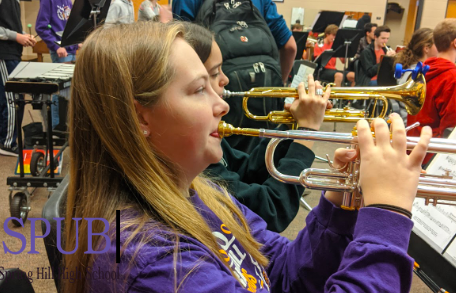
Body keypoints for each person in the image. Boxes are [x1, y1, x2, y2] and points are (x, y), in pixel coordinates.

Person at [64, 21, 432, 293]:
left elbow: (284, 272)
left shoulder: (200, 193)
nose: (222, 104)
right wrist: (386, 219)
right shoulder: (151, 259)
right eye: (198, 90)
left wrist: (340, 205)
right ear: (140, 116)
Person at [183, 22, 324, 232]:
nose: (226, 79)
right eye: (214, 73)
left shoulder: (204, 137)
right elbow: (270, 212)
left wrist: (290, 123)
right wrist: (307, 133)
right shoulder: (193, 156)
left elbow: (248, 170)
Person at [172, 0, 297, 85]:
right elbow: (290, 47)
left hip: (214, 98)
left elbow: (181, 50)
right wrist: (277, 85)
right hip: (262, 96)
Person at [0, 0, 36, 156]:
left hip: (12, 52)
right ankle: (7, 144)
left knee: (7, 98)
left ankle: (3, 141)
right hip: (1, 53)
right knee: (13, 98)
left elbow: (9, 25)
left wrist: (23, 36)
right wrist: (16, 36)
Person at [407, 19, 456, 165]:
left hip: (412, 147)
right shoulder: (451, 77)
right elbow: (451, 127)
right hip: (435, 154)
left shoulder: (421, 70)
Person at [36, 0, 79, 130]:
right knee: (59, 90)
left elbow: (70, 28)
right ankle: (55, 127)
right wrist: (55, 47)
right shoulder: (48, 1)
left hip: (70, 50)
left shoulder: (68, 2)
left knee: (70, 91)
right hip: (60, 51)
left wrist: (77, 44)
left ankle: (66, 125)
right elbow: (41, 27)